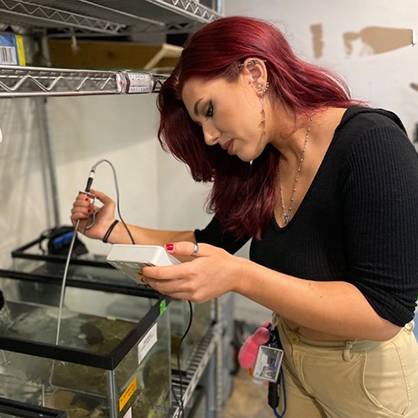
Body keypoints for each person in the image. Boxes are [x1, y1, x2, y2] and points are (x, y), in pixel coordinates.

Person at [71, 16, 418, 418]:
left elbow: (384, 311)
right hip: (293, 359)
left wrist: (239, 275)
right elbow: (207, 243)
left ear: (255, 74)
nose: (209, 136)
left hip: (367, 377)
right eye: (200, 124)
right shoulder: (264, 164)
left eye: (209, 110)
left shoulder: (372, 144)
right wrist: (114, 230)